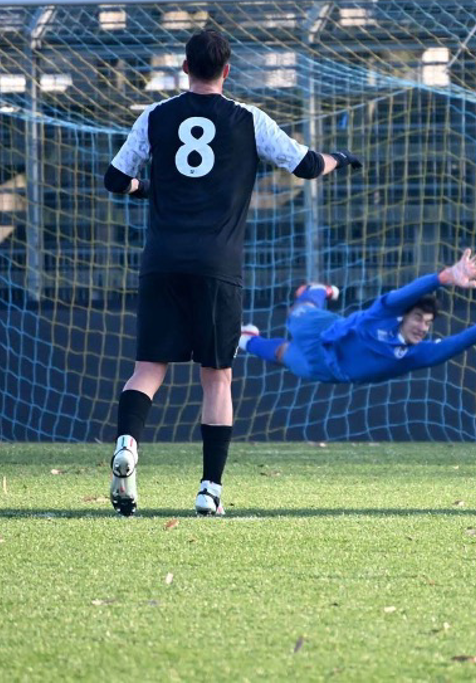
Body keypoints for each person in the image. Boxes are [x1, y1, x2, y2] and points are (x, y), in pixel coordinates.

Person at [103, 28, 362, 516]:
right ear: (227, 70)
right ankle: (209, 491)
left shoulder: (156, 115)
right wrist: (340, 159)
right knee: (217, 377)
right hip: (217, 265)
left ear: (184, 67)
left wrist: (149, 191)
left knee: (147, 369)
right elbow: (305, 165)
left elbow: (115, 179)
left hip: (161, 262)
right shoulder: (249, 119)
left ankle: (127, 443)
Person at [239, 249, 476, 384]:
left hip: (327, 370)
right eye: (418, 318)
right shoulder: (385, 312)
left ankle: (247, 339)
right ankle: (318, 290)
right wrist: (443, 276)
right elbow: (407, 293)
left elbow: (451, 346)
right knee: (298, 312)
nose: (422, 327)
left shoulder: (412, 355)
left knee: (283, 354)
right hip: (324, 331)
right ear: (404, 316)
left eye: (428, 324)